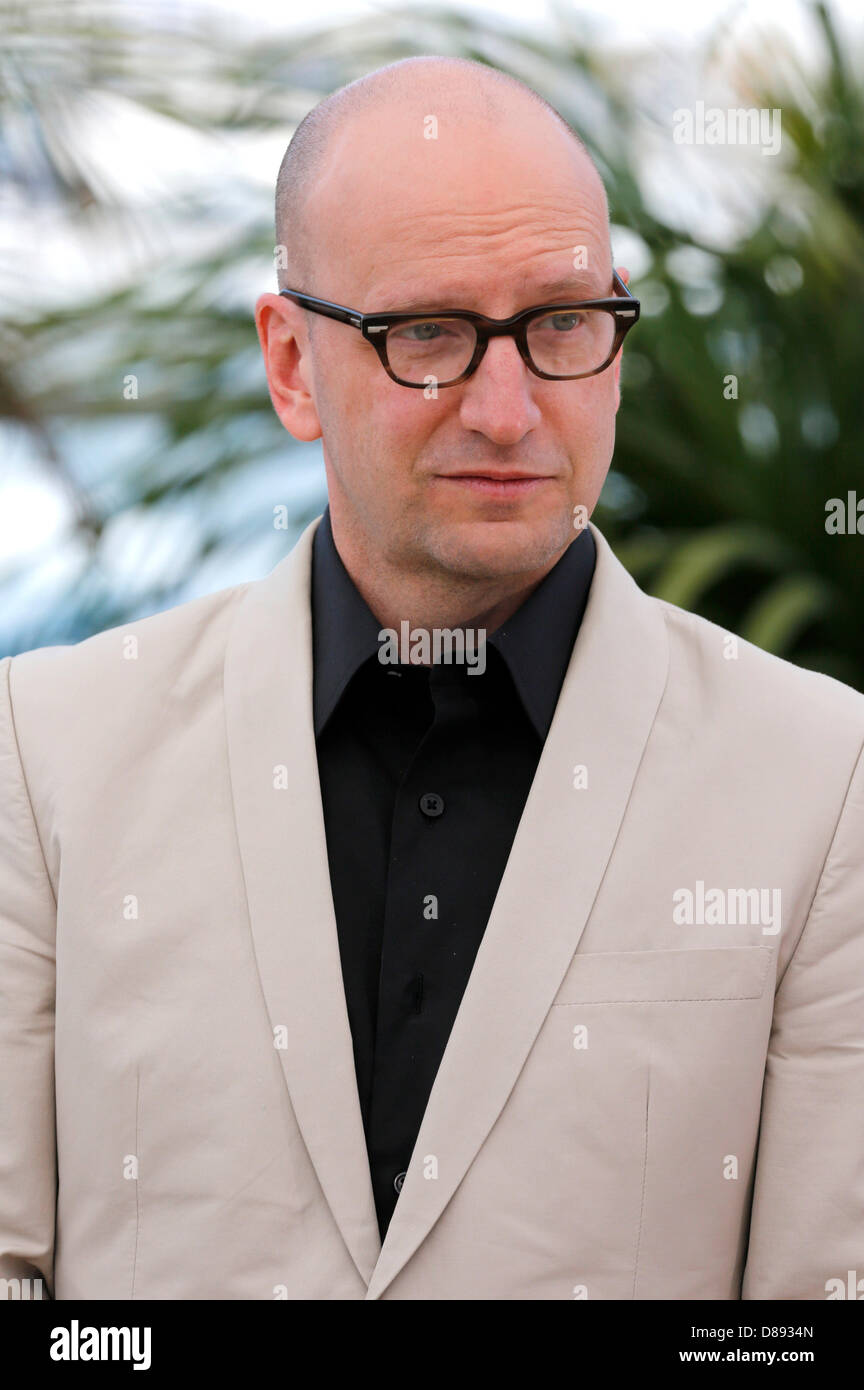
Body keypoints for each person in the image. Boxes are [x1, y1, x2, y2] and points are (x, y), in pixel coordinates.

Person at [1, 55, 862, 1302]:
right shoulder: (47, 753)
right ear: (292, 365)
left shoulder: (821, 778)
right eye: (433, 334)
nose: (508, 410)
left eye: (561, 323)